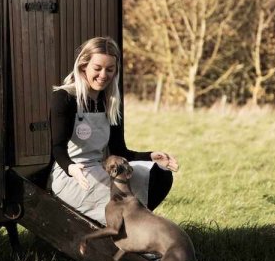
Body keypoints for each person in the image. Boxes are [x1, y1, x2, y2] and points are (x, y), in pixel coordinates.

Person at [48, 36, 178, 225]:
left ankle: (133, 230)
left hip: (100, 168)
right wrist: (71, 168)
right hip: (72, 175)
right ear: (83, 66)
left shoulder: (110, 102)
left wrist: (151, 156)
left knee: (160, 174)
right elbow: (57, 147)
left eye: (110, 69)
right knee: (126, 200)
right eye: (97, 68)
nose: (103, 75)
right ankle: (131, 231)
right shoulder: (65, 98)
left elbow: (120, 151)